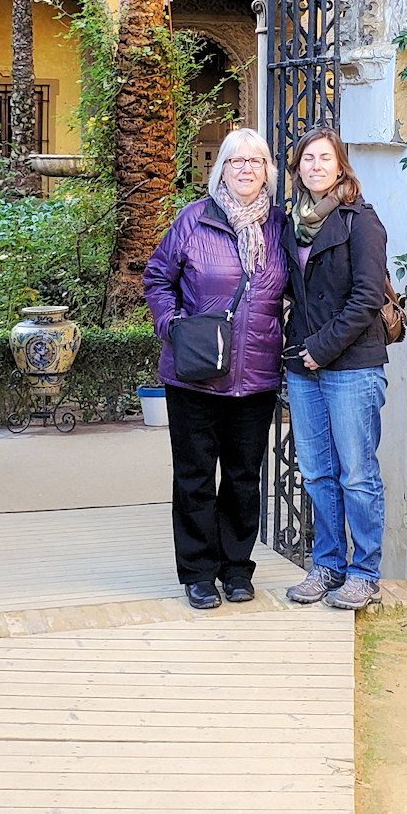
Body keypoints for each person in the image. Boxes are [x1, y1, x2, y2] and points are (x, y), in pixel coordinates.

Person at [143, 127, 289, 610]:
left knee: (245, 477)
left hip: (257, 375)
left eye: (256, 160)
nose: (246, 168)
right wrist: (172, 324)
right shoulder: (193, 220)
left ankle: (236, 569)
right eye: (235, 161)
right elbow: (158, 277)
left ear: (267, 170)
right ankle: (199, 573)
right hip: (195, 375)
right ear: (220, 169)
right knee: (195, 476)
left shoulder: (281, 228)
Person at [281, 126, 389, 610]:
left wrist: (320, 348)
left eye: (325, 158)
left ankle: (364, 572)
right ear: (297, 168)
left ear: (340, 165)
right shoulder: (292, 223)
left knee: (357, 474)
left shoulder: (360, 220)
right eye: (308, 159)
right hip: (305, 367)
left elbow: (367, 297)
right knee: (318, 473)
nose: (316, 166)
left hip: (350, 365)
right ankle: (327, 564)